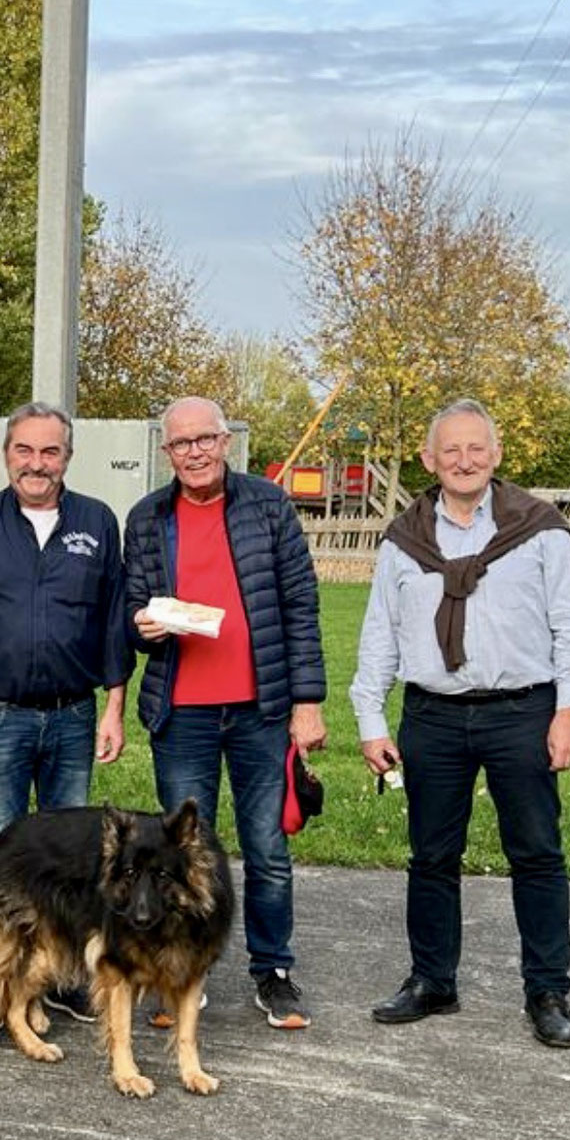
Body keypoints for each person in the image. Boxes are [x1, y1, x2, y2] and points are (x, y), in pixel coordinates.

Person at [350, 398, 570, 1048]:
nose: (463, 461)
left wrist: (567, 711)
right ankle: (432, 980)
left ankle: (546, 989)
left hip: (521, 713)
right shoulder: (404, 539)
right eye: (449, 450)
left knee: (536, 854)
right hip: (430, 716)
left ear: (495, 455)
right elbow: (380, 631)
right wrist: (371, 719)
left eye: (475, 448)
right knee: (430, 856)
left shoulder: (538, 530)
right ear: (428, 461)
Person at [123, 397, 328, 1030]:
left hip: (260, 709)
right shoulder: (149, 516)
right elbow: (134, 606)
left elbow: (300, 601)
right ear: (167, 452)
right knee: (186, 855)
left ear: (225, 441)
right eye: (181, 443)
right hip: (180, 712)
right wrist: (144, 627)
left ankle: (274, 972)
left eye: (205, 439)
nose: (195, 452)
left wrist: (308, 701)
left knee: (266, 848)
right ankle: (187, 973)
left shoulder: (266, 504)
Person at [0, 402, 131, 1018]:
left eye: (50, 452)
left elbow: (113, 620)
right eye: (25, 450)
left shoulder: (96, 522)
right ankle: (9, 975)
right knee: (3, 846)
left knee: (74, 855)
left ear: (68, 457)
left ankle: (61, 976)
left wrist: (114, 706)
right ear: (6, 452)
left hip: (72, 715)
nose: (36, 464)